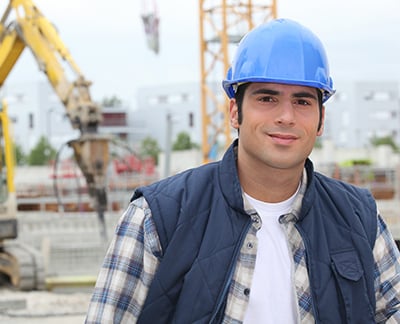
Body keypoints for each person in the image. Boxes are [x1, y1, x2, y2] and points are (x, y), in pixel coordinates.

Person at [85, 18, 400, 323]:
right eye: (267, 98)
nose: (286, 116)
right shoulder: (158, 216)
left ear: (320, 119)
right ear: (235, 111)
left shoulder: (359, 217)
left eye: (303, 102)